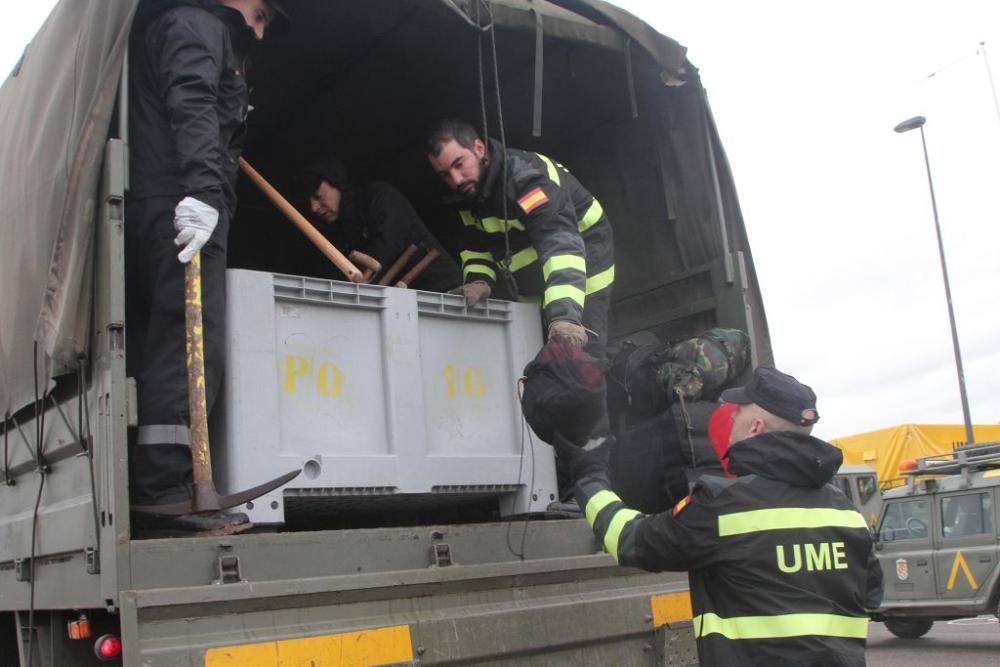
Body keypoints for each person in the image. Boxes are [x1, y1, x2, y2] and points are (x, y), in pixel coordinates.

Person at [552, 366, 884, 666]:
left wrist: (589, 477)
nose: (731, 416)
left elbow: (628, 540)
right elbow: (871, 597)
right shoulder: (847, 513)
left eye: (738, 410)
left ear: (755, 426)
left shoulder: (724, 508)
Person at [125, 0, 287, 534]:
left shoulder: (204, 32)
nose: (260, 32)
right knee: (189, 340)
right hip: (185, 204)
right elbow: (192, 103)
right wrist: (201, 191)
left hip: (179, 200)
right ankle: (171, 489)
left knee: (177, 339)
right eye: (262, 14)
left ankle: (171, 484)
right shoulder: (197, 26)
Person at [425, 120, 614, 363]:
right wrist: (478, 280)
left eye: (459, 164)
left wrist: (565, 316)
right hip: (536, 267)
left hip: (584, 255)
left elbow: (560, 245)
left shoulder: (526, 179)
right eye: (445, 175)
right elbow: (475, 245)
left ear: (479, 148)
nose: (457, 179)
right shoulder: (466, 194)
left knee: (581, 358)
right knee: (539, 355)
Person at [299, 154, 461, 292]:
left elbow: (387, 247)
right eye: (309, 202)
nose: (314, 208)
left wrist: (351, 285)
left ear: (336, 183)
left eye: (318, 196)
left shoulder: (379, 197)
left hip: (445, 294)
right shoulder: (339, 229)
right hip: (403, 304)